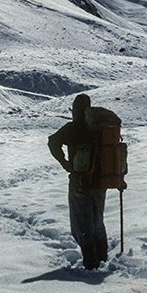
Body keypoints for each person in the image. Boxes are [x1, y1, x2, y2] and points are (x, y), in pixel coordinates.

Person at [48, 94, 109, 270]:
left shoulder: (72, 128)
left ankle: (91, 264)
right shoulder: (100, 128)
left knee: (82, 224)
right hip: (101, 183)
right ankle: (103, 259)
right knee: (98, 221)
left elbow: (52, 142)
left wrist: (65, 163)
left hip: (79, 182)